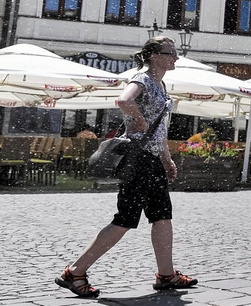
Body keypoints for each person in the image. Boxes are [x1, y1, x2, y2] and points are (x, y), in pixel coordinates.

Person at [55, 37, 198, 298]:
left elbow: (159, 128)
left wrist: (166, 159)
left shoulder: (160, 83)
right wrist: (140, 121)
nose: (175, 57)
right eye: (171, 53)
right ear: (154, 55)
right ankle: (75, 271)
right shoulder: (141, 79)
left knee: (162, 216)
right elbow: (124, 101)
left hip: (152, 160)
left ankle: (167, 275)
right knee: (126, 219)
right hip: (139, 160)